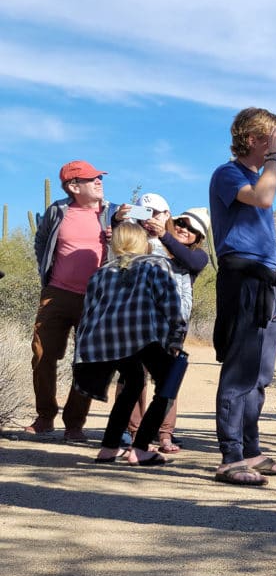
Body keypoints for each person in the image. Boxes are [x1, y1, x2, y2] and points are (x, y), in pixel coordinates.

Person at [209, 107, 276, 486]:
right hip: (243, 277)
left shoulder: (255, 176)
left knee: (260, 374)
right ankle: (230, 457)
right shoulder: (228, 174)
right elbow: (262, 198)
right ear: (251, 139)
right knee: (239, 371)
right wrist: (273, 158)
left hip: (266, 280)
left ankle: (251, 450)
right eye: (272, 138)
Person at [72, 222, 185, 466]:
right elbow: (171, 304)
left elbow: (89, 312)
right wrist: (177, 335)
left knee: (132, 383)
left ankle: (109, 447)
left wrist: (83, 348)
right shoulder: (155, 264)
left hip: (108, 341)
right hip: (144, 335)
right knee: (168, 384)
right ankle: (140, 448)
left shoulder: (101, 272)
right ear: (141, 243)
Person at [26, 160, 116, 442]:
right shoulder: (58, 211)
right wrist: (47, 271)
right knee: (42, 354)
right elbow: (41, 241)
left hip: (96, 297)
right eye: (92, 179)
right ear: (74, 187)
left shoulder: (112, 213)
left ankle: (74, 424)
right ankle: (44, 416)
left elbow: (131, 247)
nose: (99, 181)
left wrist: (115, 238)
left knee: (86, 360)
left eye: (99, 177)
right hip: (57, 293)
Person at [125, 205, 211, 453]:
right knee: (134, 377)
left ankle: (164, 433)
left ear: (199, 237)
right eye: (182, 223)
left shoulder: (198, 257)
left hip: (172, 324)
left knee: (168, 380)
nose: (185, 229)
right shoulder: (150, 244)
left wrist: (165, 234)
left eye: (192, 229)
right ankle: (133, 432)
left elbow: (190, 260)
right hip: (141, 320)